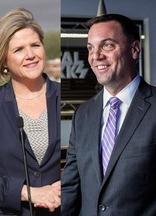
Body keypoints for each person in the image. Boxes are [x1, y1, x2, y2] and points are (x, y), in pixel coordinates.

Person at [0, 8, 61, 216]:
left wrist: (67, 184)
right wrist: (27, 192)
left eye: (35, 45)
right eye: (18, 50)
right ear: (4, 60)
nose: (31, 55)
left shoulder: (66, 98)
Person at [61, 13, 156, 215]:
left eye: (107, 45)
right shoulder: (83, 115)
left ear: (134, 50)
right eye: (90, 48)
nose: (96, 56)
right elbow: (70, 188)